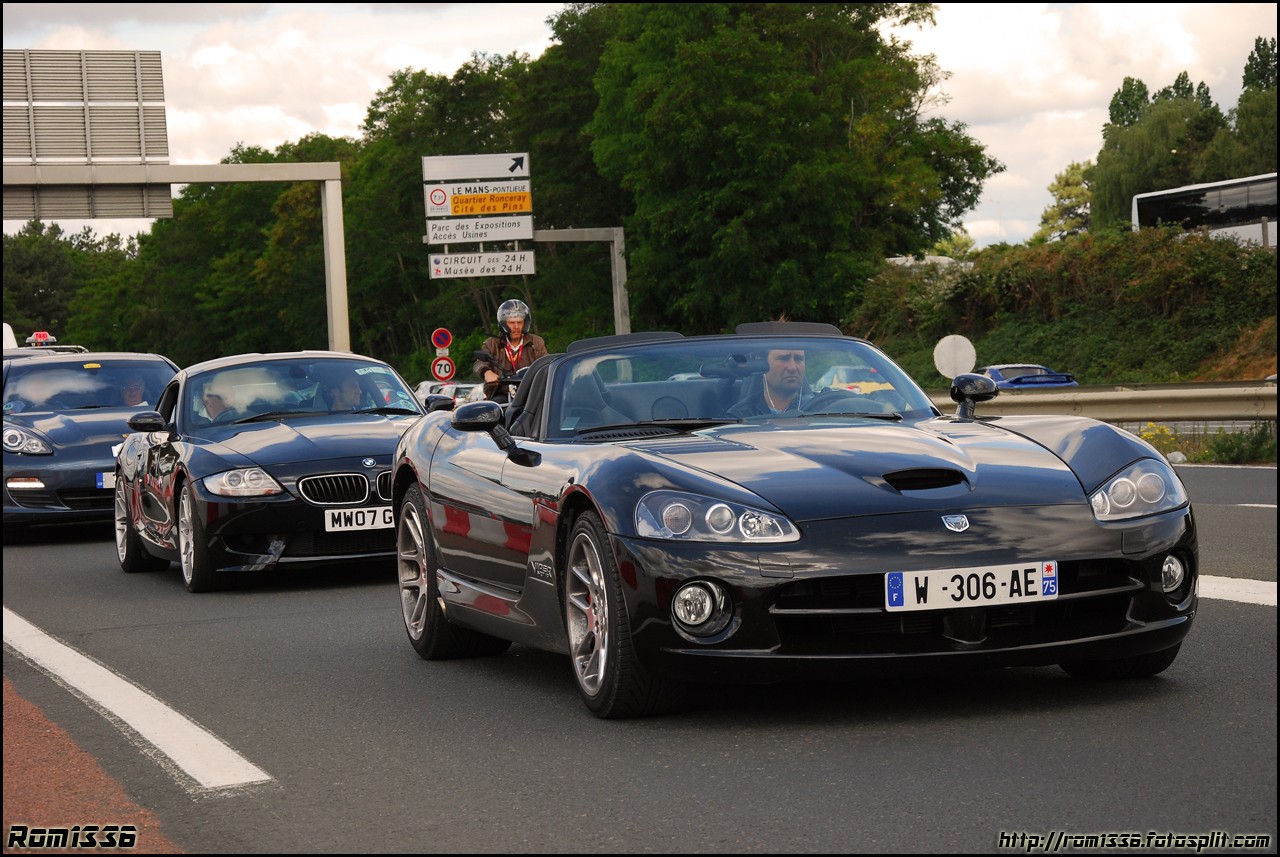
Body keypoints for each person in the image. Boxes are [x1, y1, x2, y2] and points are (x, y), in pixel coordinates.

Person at [472, 298, 548, 402]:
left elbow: (546, 363)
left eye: (519, 322)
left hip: (531, 393)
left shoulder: (536, 342)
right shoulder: (492, 343)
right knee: (494, 408)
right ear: (503, 323)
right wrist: (486, 372)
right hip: (501, 393)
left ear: (525, 323)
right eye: (512, 323)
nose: (516, 327)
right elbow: (479, 363)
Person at [727, 348, 814, 417]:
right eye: (783, 358)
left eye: (798, 359)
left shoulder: (819, 409)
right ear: (762, 364)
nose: (793, 367)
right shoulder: (740, 416)